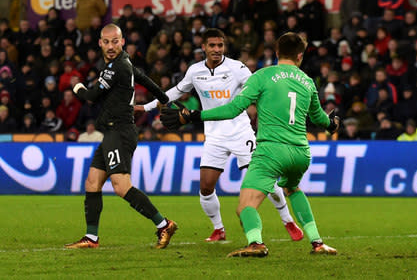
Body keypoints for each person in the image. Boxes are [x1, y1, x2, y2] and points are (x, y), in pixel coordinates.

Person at [160, 32, 340, 257]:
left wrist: (193, 116)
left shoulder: (262, 76)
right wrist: (333, 124)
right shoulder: (308, 82)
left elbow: (232, 110)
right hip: (301, 153)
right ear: (300, 56)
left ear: (276, 53)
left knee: (245, 206)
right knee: (292, 188)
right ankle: (317, 242)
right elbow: (320, 119)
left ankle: (256, 243)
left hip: (271, 152)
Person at [136, 29, 303, 242]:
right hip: (214, 136)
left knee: (267, 182)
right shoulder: (195, 71)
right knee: (205, 187)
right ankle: (218, 229)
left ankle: (287, 220)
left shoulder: (237, 68)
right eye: (212, 45)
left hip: (241, 133)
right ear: (203, 47)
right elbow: (175, 91)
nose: (216, 49)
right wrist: (147, 107)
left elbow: (260, 88)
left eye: (220, 45)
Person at [65, 24, 177, 249]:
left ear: (122, 41)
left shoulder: (114, 67)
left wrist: (77, 88)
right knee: (92, 182)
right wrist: (164, 98)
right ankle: (91, 238)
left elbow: (93, 96)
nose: (110, 46)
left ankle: (163, 224)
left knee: (121, 185)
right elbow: (144, 79)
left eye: (114, 41)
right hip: (111, 132)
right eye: (106, 42)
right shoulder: (125, 63)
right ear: (99, 43)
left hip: (119, 131)